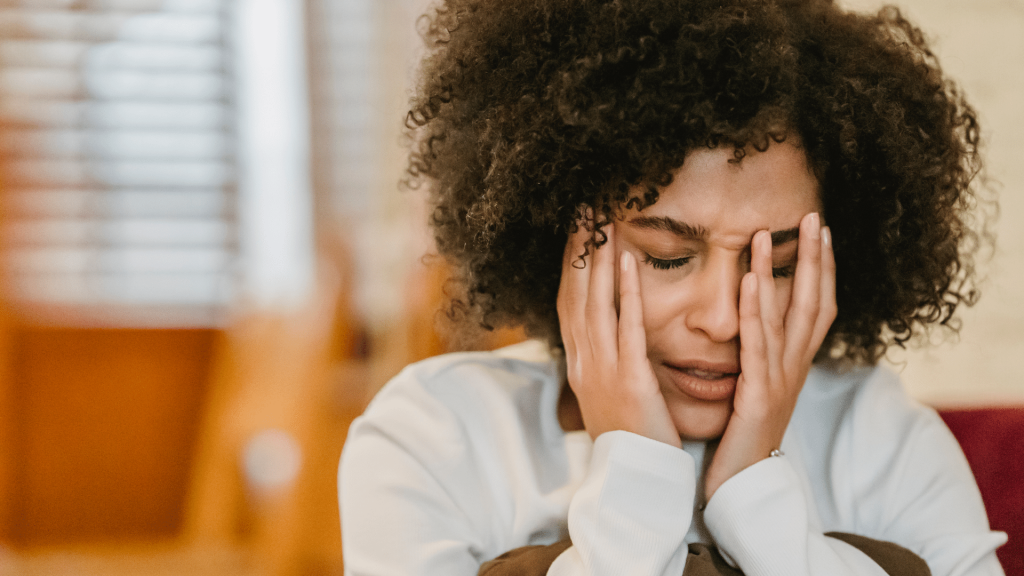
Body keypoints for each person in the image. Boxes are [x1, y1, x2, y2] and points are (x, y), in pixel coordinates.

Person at [339, 0, 1008, 574]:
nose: (723, 319)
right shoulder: (434, 437)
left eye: (775, 266)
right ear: (556, 238)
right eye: (666, 257)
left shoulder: (881, 437)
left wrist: (754, 485)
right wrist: (637, 470)